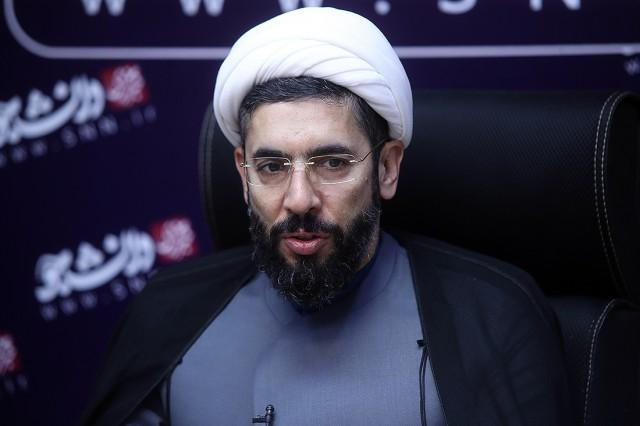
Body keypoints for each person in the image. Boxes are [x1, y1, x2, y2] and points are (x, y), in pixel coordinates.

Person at [80, 7, 572, 426]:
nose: (299, 200)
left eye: (332, 163)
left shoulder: (492, 317)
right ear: (243, 174)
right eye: (272, 167)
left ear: (386, 168)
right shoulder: (166, 313)